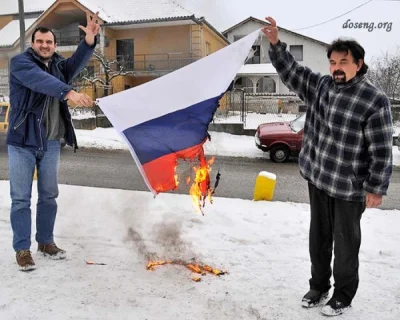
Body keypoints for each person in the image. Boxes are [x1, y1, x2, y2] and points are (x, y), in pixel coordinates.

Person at [262, 17, 393, 316]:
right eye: (333, 61)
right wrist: (275, 44)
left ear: (358, 64)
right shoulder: (321, 86)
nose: (336, 67)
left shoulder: (374, 100)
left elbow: (382, 149)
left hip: (349, 187)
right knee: (318, 239)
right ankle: (318, 286)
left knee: (345, 247)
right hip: (319, 179)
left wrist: (376, 187)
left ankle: (343, 296)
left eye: (343, 62)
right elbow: (293, 72)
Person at [7, 12, 101, 271]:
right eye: (40, 41)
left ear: (55, 45)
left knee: (49, 196)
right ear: (33, 43)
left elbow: (75, 65)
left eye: (49, 42)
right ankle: (23, 250)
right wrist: (68, 92)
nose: (45, 45)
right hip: (22, 141)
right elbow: (40, 82)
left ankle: (45, 242)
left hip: (50, 142)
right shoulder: (20, 63)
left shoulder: (59, 66)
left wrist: (89, 41)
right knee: (20, 199)